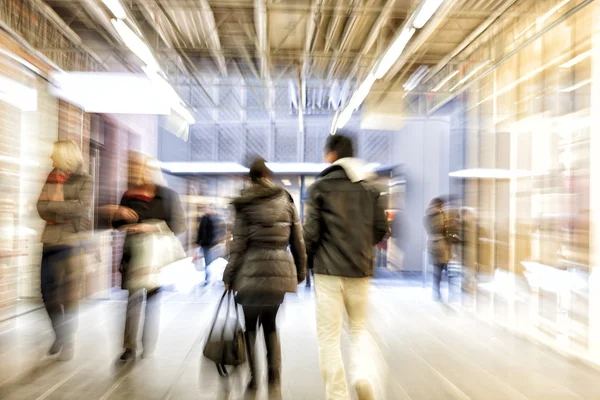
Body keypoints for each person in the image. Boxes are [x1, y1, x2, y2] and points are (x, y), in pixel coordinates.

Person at [303, 134, 388, 400]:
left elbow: (311, 234)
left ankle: (337, 395)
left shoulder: (320, 187)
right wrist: (362, 247)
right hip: (360, 271)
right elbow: (381, 229)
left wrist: (307, 263)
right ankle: (361, 373)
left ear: (331, 155)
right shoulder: (369, 188)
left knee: (328, 337)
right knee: (358, 329)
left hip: (328, 272)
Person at [222, 158, 306, 397]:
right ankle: (274, 378)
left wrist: (228, 275)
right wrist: (300, 271)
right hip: (279, 273)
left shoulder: (244, 204)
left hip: (249, 272)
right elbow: (297, 240)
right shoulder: (286, 200)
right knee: (270, 325)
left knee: (250, 328)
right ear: (269, 177)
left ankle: (253, 379)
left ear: (250, 179)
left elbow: (238, 246)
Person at [109, 152, 185, 362]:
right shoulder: (129, 195)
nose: (138, 172)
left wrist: (151, 227)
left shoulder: (168, 195)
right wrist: (120, 215)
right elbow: (117, 225)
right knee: (133, 301)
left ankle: (147, 342)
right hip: (133, 255)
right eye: (134, 169)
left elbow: (179, 225)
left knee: (152, 302)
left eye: (141, 168)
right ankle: (129, 347)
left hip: (156, 258)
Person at [37, 140, 92, 360]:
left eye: (54, 154)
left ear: (65, 155)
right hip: (50, 241)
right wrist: (61, 208)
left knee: (68, 296)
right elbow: (41, 208)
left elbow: (81, 208)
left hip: (72, 243)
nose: (51, 157)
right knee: (46, 293)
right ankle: (61, 334)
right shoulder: (51, 176)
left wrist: (54, 205)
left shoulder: (85, 179)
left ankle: (67, 338)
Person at [424, 197, 452, 301]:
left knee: (438, 269)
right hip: (441, 244)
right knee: (444, 268)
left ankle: (436, 290)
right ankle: (443, 292)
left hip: (432, 244)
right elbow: (444, 230)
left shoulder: (426, 216)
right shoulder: (441, 215)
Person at [196, 204, 225, 284]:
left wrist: (219, 240)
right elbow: (200, 231)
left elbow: (221, 230)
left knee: (213, 262)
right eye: (208, 208)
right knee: (207, 262)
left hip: (214, 245)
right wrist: (198, 242)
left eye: (211, 208)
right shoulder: (204, 218)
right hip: (205, 244)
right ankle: (207, 278)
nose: (209, 210)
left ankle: (213, 277)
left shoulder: (217, 219)